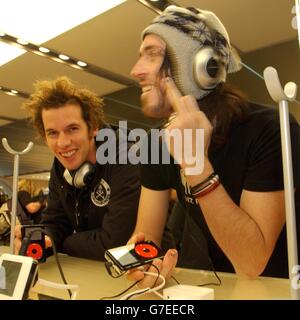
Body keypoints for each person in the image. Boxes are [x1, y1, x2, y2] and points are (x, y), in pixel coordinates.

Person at [128, 5, 300, 282]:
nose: (135, 70)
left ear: (200, 66)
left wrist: (196, 164)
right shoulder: (156, 143)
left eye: (152, 54)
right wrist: (142, 259)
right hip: (216, 285)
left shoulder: (270, 129)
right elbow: (146, 236)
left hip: (277, 287)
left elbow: (253, 262)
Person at [14, 76, 141, 260]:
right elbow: (55, 222)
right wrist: (42, 239)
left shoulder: (126, 158)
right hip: (92, 270)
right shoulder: (60, 166)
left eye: (72, 129)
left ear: (93, 127)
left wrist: (66, 242)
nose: (63, 143)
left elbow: (116, 243)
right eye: (53, 133)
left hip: (147, 272)